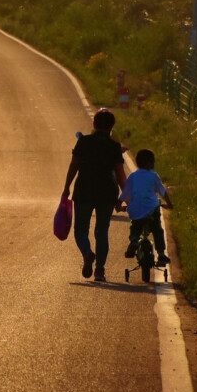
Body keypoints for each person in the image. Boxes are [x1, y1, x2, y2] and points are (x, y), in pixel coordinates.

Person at [63, 110, 127, 282]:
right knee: (102, 231)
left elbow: (73, 166)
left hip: (84, 190)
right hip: (107, 192)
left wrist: (66, 188)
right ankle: (99, 271)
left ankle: (86, 252)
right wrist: (127, 198)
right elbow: (121, 175)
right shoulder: (114, 146)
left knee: (81, 230)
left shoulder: (83, 142)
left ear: (94, 124)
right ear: (112, 127)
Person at [118, 148, 172, 268]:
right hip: (151, 210)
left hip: (135, 210)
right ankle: (161, 254)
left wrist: (118, 205)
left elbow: (125, 192)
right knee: (157, 229)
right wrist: (169, 204)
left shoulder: (133, 176)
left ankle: (133, 241)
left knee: (135, 226)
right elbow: (162, 192)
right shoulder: (153, 176)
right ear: (149, 163)